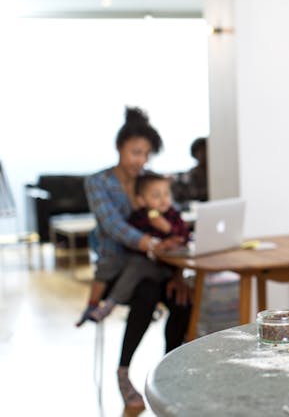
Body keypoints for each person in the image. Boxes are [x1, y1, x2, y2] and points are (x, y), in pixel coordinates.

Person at [83, 107, 192, 410]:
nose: (141, 161)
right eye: (135, 152)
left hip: (158, 267)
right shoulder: (97, 183)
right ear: (120, 147)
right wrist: (154, 243)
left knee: (184, 299)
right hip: (120, 269)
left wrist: (178, 274)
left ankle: (170, 371)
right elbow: (113, 227)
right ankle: (123, 374)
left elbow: (174, 218)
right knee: (145, 293)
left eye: (146, 155)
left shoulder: (151, 182)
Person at [77, 172, 190, 324]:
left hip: (167, 269)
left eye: (166, 194)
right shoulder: (140, 218)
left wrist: (168, 229)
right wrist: (155, 244)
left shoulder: (173, 216)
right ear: (141, 200)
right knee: (129, 266)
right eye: (156, 196)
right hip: (144, 267)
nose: (164, 200)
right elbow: (131, 243)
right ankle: (102, 304)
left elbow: (184, 237)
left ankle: (109, 305)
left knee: (182, 301)